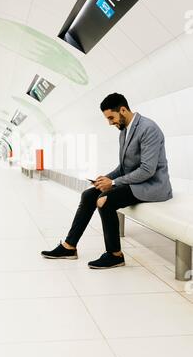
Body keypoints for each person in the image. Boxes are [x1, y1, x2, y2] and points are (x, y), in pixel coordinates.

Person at [41, 93, 172, 269]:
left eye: (111, 117)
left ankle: (115, 255)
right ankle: (69, 246)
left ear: (123, 110)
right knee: (89, 195)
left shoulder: (149, 129)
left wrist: (113, 183)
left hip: (152, 185)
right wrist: (106, 179)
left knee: (104, 201)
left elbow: (147, 170)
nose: (110, 122)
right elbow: (123, 168)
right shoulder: (124, 130)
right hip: (135, 182)